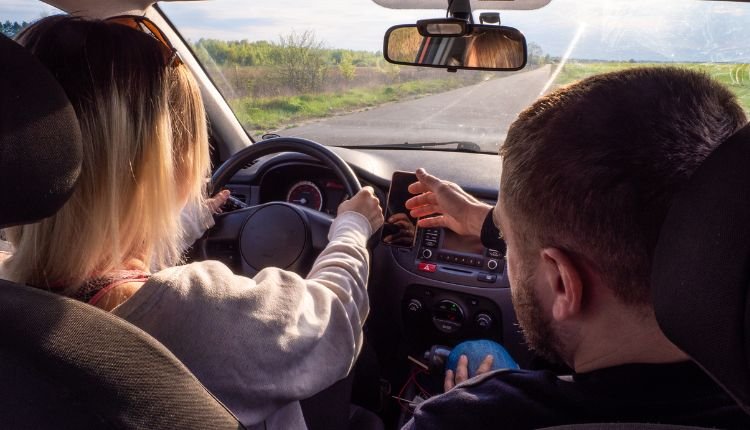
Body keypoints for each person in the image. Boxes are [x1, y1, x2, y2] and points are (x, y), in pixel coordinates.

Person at [0, 15, 383, 429]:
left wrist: (191, 220)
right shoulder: (197, 310)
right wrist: (352, 228)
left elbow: (97, 253)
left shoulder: (12, 298)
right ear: (161, 163)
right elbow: (334, 320)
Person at [402, 67, 750, 428]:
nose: (505, 250)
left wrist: (460, 402)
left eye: (506, 241)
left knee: (476, 355)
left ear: (564, 284)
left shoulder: (460, 418)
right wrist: (490, 222)